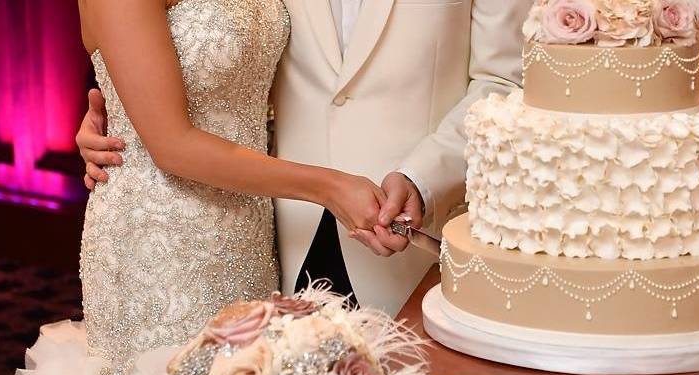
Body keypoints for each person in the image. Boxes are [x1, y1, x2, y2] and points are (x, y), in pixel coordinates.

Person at [0, 0, 393, 375]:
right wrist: (327, 186)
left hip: (244, 228)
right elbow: (170, 144)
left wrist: (104, 108)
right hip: (160, 240)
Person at [78, 0, 527, 315]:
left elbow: (503, 84)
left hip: (401, 241)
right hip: (235, 238)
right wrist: (130, 119)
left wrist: (421, 179)